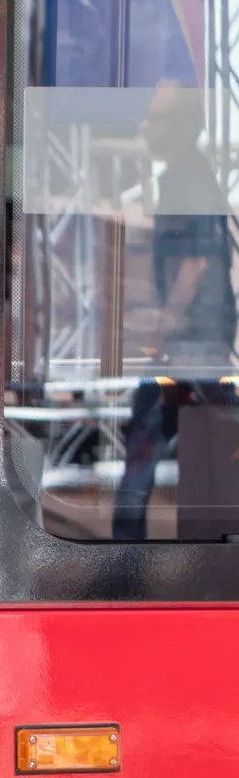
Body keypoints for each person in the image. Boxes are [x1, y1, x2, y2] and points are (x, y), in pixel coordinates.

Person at [114, 80, 239, 541]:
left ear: (185, 126)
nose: (148, 126)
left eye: (158, 118)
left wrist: (163, 325)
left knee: (153, 435)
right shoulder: (181, 178)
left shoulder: (190, 181)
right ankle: (127, 551)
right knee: (164, 437)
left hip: (194, 343)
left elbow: (195, 261)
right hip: (193, 341)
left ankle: (124, 556)